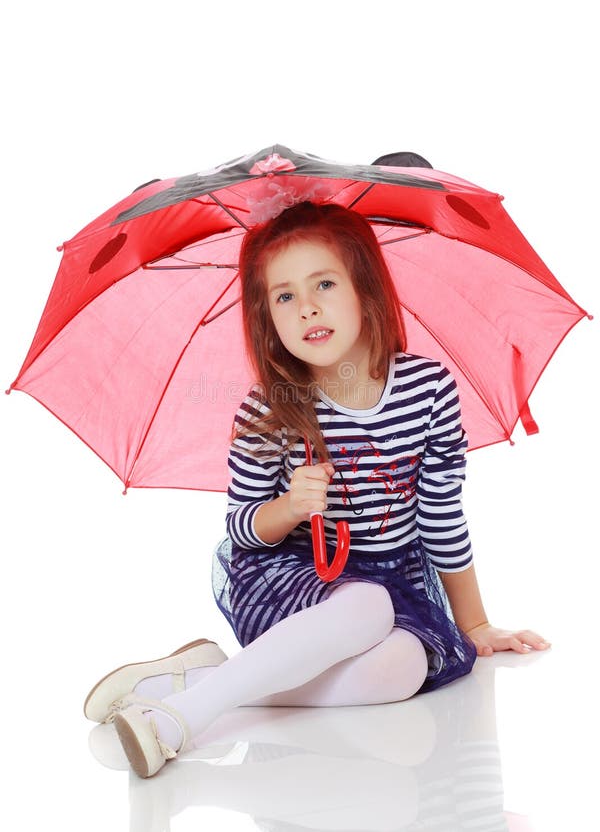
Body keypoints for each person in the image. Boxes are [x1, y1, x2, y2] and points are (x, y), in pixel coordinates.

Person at [83, 201, 551, 778]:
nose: (306, 307)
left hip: (396, 580)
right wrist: (287, 507)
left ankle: (200, 680)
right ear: (268, 319)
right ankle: (179, 719)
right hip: (290, 579)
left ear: (367, 291)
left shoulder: (427, 389)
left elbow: (441, 515)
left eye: (324, 283)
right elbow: (241, 526)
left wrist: (474, 625)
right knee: (366, 603)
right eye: (283, 296)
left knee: (401, 669)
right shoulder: (269, 409)